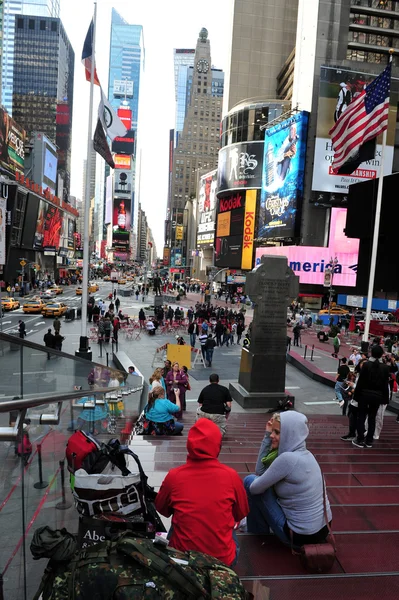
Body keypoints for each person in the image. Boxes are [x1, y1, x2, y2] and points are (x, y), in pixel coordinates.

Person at [155, 418, 249, 567]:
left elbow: (162, 509)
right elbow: (241, 513)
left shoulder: (174, 476)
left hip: (183, 561)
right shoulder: (231, 476)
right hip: (222, 563)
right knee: (227, 525)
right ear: (217, 445)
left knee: (177, 520)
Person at [244, 411, 332, 548]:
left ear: (290, 434)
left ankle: (258, 534)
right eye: (271, 431)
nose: (272, 435)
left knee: (249, 481)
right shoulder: (308, 455)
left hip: (299, 537)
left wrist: (266, 437)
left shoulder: (287, 459)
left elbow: (255, 486)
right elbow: (261, 473)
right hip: (323, 530)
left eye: (277, 432)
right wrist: (269, 434)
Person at [352, 345, 390, 448]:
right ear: (381, 354)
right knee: (372, 418)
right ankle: (369, 441)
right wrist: (385, 399)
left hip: (364, 395)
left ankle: (359, 439)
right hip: (377, 397)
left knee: (362, 417)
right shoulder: (385, 368)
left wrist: (356, 396)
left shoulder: (366, 365)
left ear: (371, 353)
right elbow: (385, 385)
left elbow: (360, 382)